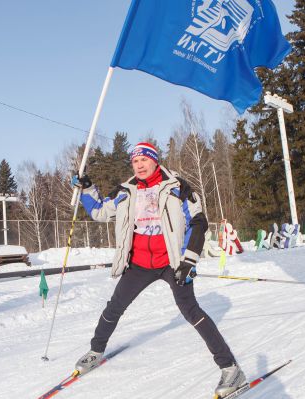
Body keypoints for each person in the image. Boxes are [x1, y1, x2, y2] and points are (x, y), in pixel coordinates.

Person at [71, 142, 245, 397]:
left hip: (173, 262)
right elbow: (99, 211)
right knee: (115, 306)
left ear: (154, 160)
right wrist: (87, 189)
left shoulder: (177, 186)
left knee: (191, 311)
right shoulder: (126, 190)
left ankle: (231, 369)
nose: (139, 165)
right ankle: (96, 351)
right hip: (139, 263)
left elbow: (198, 222)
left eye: (144, 160)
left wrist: (189, 261)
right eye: (135, 161)